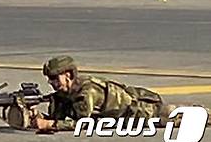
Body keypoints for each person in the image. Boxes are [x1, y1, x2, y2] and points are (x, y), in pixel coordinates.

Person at [32, 55, 177, 131]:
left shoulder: (86, 92)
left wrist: (50, 124)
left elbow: (82, 123)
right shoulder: (66, 92)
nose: (51, 82)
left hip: (136, 111)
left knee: (172, 119)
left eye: (54, 78)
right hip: (122, 109)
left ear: (68, 75)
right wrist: (38, 117)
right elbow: (60, 116)